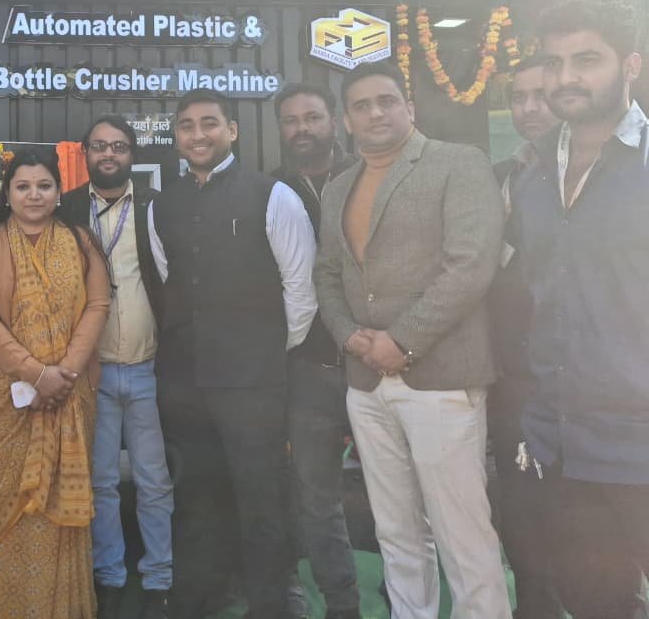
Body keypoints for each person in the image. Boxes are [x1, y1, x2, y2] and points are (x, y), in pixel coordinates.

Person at [314, 63, 511, 619]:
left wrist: (401, 342)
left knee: (462, 534)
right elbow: (327, 273)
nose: (375, 112)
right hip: (366, 382)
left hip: (441, 378)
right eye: (361, 106)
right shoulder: (338, 187)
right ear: (346, 121)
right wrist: (350, 336)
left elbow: (470, 266)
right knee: (395, 532)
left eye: (387, 100)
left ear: (409, 108)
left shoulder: (458, 163)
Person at [147, 89, 318, 619]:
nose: (198, 135)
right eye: (186, 126)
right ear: (176, 136)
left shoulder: (273, 195)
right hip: (186, 383)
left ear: (232, 131)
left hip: (254, 382)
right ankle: (201, 599)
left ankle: (270, 605)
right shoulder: (161, 205)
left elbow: (301, 290)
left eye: (209, 123)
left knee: (261, 497)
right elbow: (171, 280)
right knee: (197, 496)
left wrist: (264, 353)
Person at [511, 0, 649, 619]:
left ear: (630, 65)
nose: (565, 77)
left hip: (641, 439)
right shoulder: (533, 173)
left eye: (587, 60)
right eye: (554, 62)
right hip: (564, 445)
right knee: (596, 604)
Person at [0, 151, 112, 619]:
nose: (34, 195)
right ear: (8, 193)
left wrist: (64, 373)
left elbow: (98, 306)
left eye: (44, 186)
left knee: (57, 520)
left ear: (59, 192)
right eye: (23, 187)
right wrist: (36, 373)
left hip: (69, 395)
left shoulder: (81, 242)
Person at [59, 117, 172, 619]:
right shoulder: (65, 209)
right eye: (100, 146)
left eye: (119, 146)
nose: (109, 154)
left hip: (149, 366)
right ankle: (108, 576)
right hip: (93, 371)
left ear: (132, 154)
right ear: (85, 152)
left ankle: (159, 577)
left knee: (154, 482)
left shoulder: (156, 205)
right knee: (99, 482)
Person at [271, 83, 361, 619]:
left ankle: (409, 598)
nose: (302, 128)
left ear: (335, 120)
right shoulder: (271, 190)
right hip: (309, 370)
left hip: (379, 364)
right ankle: (342, 605)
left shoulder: (369, 176)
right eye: (291, 120)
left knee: (406, 494)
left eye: (312, 117)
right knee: (316, 498)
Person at [485, 56, 562, 619]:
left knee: (594, 510)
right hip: (514, 374)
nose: (529, 108)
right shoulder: (501, 177)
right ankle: (534, 607)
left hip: (590, 376)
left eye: (541, 95)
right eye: (518, 97)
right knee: (520, 502)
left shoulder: (604, 171)